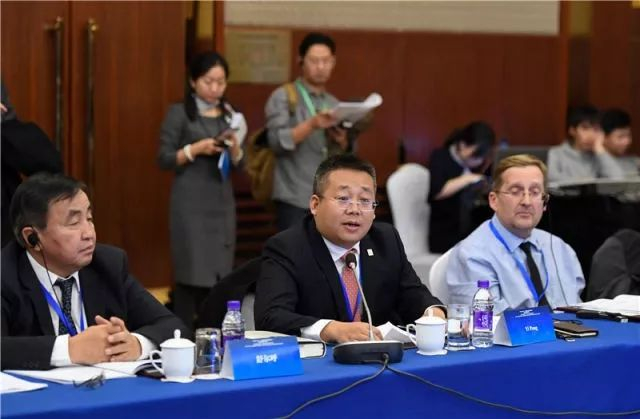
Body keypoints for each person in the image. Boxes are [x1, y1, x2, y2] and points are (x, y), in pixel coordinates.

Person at [1, 173, 187, 370]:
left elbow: (174, 327)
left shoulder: (107, 265)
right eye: (74, 223)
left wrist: (136, 344)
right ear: (32, 238)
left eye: (89, 219)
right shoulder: (6, 274)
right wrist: (69, 349)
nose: (89, 233)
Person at [255, 154, 445, 343]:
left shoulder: (385, 240)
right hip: (322, 358)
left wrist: (432, 312)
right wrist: (330, 329)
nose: (355, 210)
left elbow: (413, 294)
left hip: (382, 355)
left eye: (365, 200)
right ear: (315, 205)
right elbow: (270, 317)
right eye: (343, 198)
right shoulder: (287, 247)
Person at [157, 51, 247, 329]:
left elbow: (241, 165)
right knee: (190, 270)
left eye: (221, 82)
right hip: (190, 201)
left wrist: (234, 148)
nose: (215, 88)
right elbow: (164, 159)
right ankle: (184, 335)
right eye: (209, 81)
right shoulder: (179, 113)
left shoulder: (231, 115)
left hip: (221, 201)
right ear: (193, 81)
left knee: (221, 273)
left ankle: (217, 333)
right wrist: (196, 148)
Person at [446, 154, 584, 314]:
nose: (526, 201)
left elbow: (578, 309)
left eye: (535, 192)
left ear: (544, 202)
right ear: (494, 200)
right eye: (515, 191)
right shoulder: (472, 255)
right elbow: (487, 322)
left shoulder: (560, 248)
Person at [265, 32, 349, 231]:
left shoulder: (333, 103)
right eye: (314, 61)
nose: (320, 67)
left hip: (327, 197)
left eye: (326, 61)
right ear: (301, 61)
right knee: (294, 249)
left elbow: (343, 155)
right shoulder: (284, 96)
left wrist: (341, 141)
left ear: (333, 62)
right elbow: (276, 142)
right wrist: (312, 124)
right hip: (293, 196)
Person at [428, 121, 495, 253]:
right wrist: (468, 179)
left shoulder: (476, 165)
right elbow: (437, 192)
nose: (479, 161)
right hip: (446, 232)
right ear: (463, 145)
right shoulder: (441, 157)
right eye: (476, 155)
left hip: (469, 228)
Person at [547, 105, 619, 183]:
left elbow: (618, 179)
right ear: (572, 130)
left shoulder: (600, 156)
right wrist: (586, 181)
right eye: (585, 128)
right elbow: (551, 179)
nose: (590, 135)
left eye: (596, 129)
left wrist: (600, 150)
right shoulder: (557, 153)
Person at [600, 108, 639, 178]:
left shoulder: (634, 162)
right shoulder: (593, 163)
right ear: (603, 137)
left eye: (629, 135)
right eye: (621, 137)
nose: (627, 141)